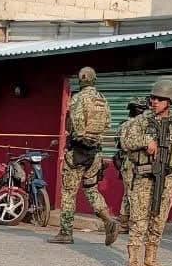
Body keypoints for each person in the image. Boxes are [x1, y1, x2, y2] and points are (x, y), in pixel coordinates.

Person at [121, 81, 172, 266]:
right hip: (144, 178)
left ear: (170, 101)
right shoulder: (140, 121)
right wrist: (145, 141)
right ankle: (134, 263)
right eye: (153, 98)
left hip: (166, 179)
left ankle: (150, 261)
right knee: (139, 222)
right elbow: (125, 141)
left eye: (159, 99)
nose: (154, 102)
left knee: (158, 222)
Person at [48, 67, 120, 246]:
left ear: (80, 81)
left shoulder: (78, 98)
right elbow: (108, 123)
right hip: (95, 153)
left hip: (78, 152)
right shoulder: (102, 99)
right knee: (91, 189)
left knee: (68, 193)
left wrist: (77, 137)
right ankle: (108, 220)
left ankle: (65, 232)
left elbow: (76, 122)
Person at [115, 97, 148, 234]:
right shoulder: (133, 125)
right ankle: (128, 223)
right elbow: (124, 145)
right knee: (133, 194)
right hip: (131, 163)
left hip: (130, 163)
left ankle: (124, 223)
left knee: (129, 193)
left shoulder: (125, 124)